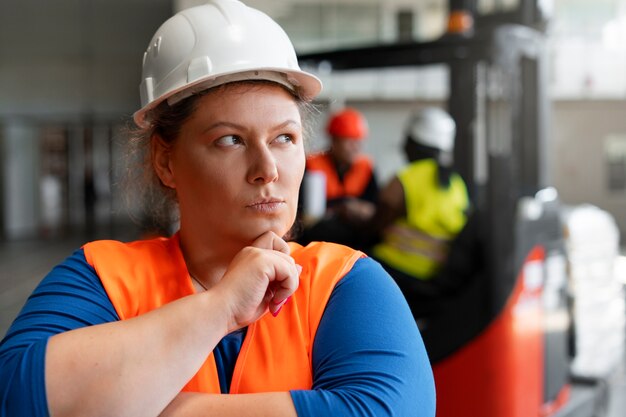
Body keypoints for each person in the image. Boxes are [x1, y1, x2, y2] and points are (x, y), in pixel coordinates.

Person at [0, 1, 435, 416]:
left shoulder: (340, 283)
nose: (267, 169)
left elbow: (392, 409)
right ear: (166, 161)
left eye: (284, 138)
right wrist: (222, 307)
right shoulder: (105, 278)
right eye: (230, 139)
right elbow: (14, 398)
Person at [365, 107, 470, 317]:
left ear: (414, 144)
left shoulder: (406, 179)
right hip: (438, 276)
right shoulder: (456, 184)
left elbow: (373, 229)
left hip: (397, 271)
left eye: (407, 140)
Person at [298, 107, 378, 248]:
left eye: (359, 142)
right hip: (319, 237)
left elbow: (374, 207)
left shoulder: (367, 168)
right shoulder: (311, 166)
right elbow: (305, 214)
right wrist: (341, 208)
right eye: (349, 141)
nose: (355, 148)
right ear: (334, 140)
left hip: (355, 239)